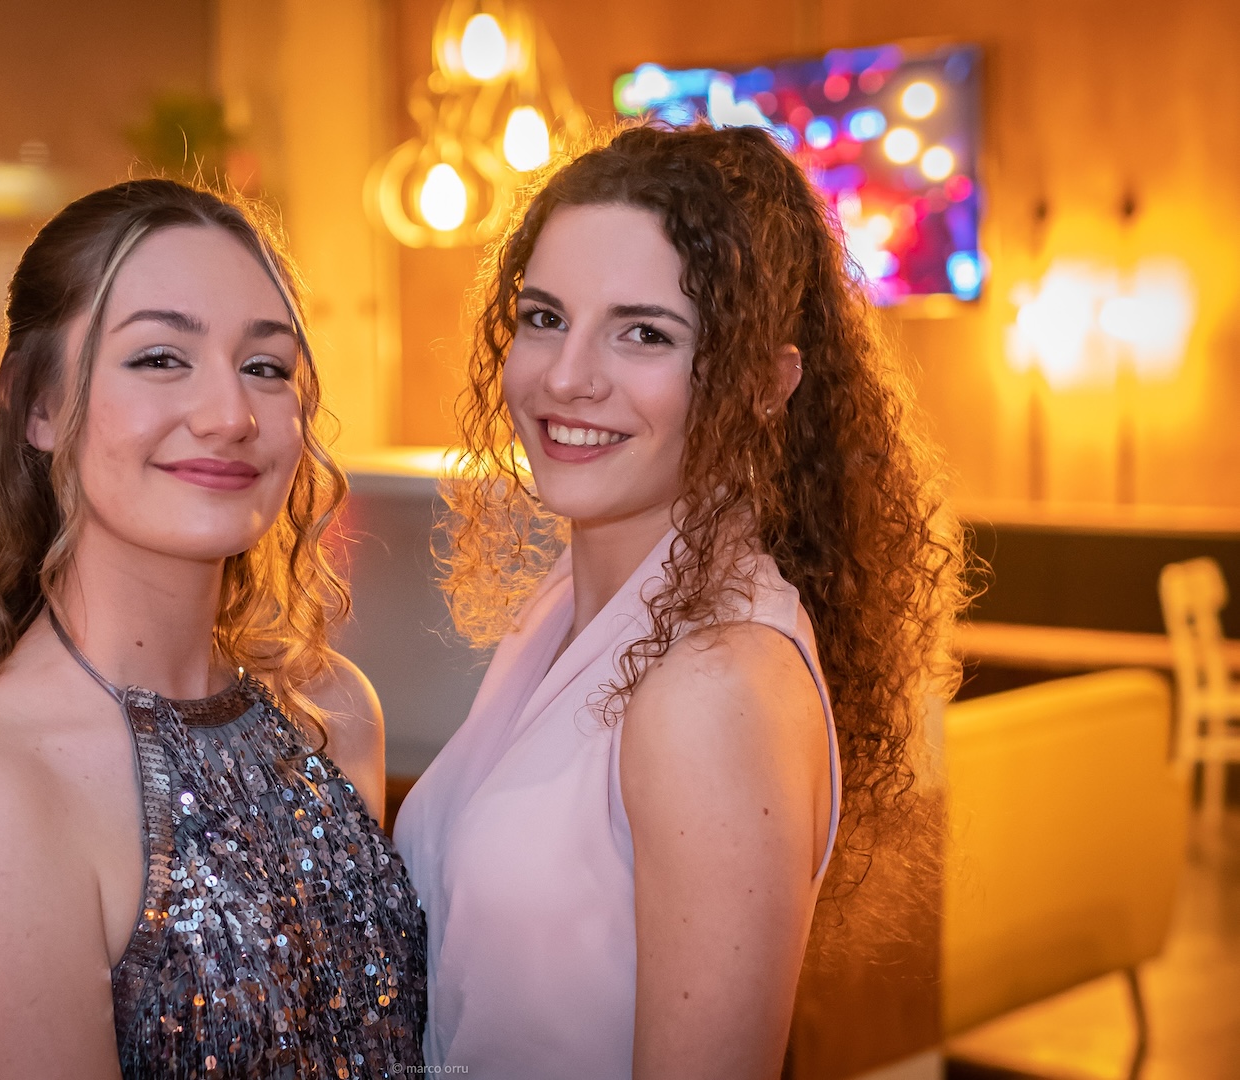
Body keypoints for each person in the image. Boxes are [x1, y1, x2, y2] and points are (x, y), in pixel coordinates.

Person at [393, 123, 963, 1078]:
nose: (566, 376)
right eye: (543, 317)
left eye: (643, 333)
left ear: (762, 385)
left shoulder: (713, 683)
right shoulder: (564, 616)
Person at [0, 179, 426, 1079]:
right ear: (40, 405)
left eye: (265, 366)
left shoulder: (335, 712)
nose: (231, 416)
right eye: (159, 359)